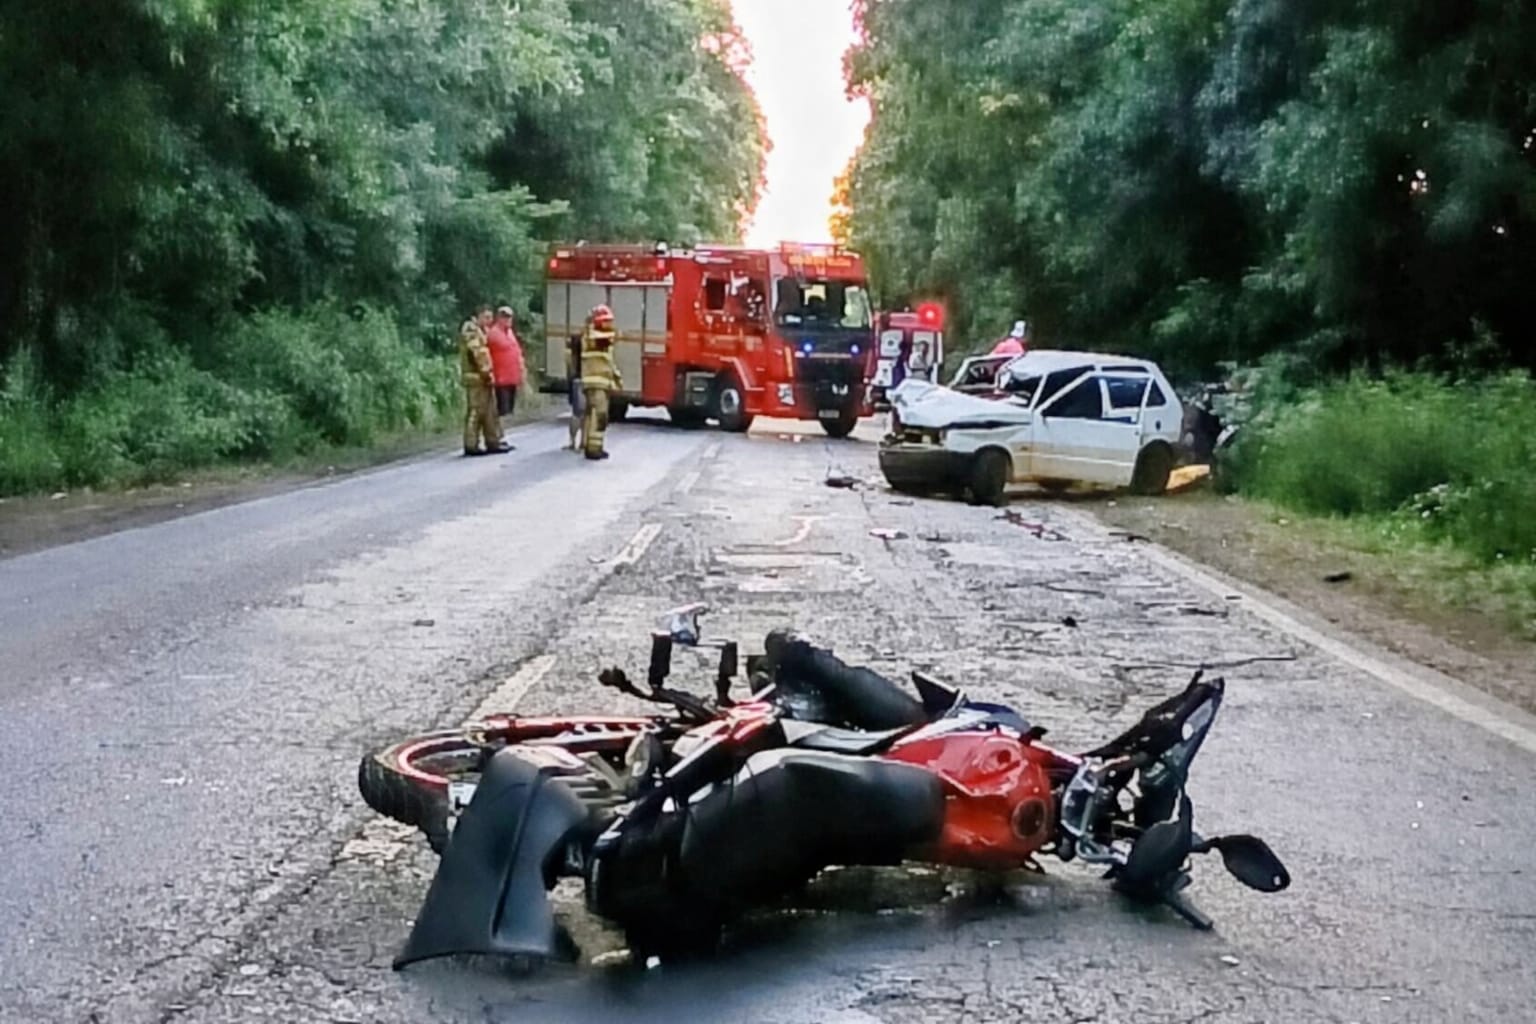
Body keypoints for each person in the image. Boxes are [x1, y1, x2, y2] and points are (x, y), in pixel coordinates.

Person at [459, 305, 511, 457]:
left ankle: (493, 441)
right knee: (476, 411)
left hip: (483, 378)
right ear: (478, 316)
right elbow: (478, 354)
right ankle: (471, 444)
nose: (489, 321)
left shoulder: (482, 331)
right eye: (486, 318)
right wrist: (486, 372)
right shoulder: (471, 331)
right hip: (476, 377)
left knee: (490, 411)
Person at [579, 305, 623, 460]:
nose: (609, 325)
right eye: (606, 321)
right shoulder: (591, 337)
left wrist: (617, 379)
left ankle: (593, 446)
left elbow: (610, 363)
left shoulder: (604, 341)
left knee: (597, 416)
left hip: (603, 384)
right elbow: (600, 338)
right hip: (594, 383)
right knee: (599, 415)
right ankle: (592, 449)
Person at [486, 306, 526, 424]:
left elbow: (517, 352)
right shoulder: (493, 333)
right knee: (502, 410)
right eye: (504, 317)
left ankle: (503, 436)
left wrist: (522, 371)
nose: (507, 319)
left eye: (509, 317)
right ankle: (499, 436)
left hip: (512, 378)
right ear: (498, 318)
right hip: (501, 379)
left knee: (508, 410)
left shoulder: (509, 333)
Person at [564, 332, 586, 451]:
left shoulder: (574, 343)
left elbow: (569, 365)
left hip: (577, 380)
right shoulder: (591, 342)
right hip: (586, 381)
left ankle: (572, 442)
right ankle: (583, 442)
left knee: (577, 414)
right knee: (584, 415)